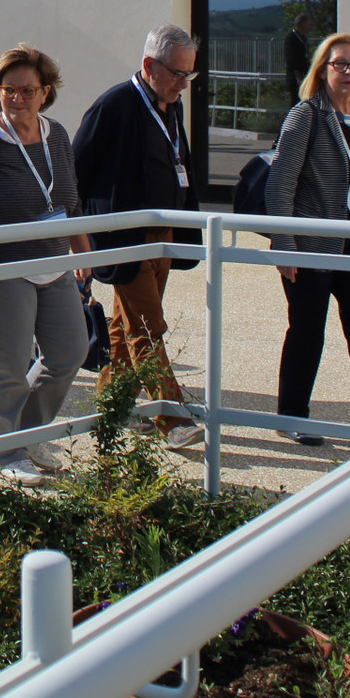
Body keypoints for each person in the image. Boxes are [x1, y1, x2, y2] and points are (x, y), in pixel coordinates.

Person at [0, 43, 90, 487]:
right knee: (9, 368)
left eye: (27, 90)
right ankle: (8, 452)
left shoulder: (57, 135)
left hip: (54, 262)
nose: (17, 98)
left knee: (70, 352)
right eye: (8, 89)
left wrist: (83, 251)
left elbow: (70, 200)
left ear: (45, 92)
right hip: (5, 266)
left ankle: (28, 434)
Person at [72, 24, 204, 450]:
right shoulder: (113, 105)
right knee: (148, 326)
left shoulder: (171, 105)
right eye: (177, 73)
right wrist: (78, 239)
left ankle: (113, 405)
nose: (184, 83)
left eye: (189, 74)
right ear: (150, 65)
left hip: (162, 237)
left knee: (123, 325)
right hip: (124, 239)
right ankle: (171, 417)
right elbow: (76, 171)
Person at [263, 32, 350, 443]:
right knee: (307, 332)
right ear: (323, 70)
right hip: (311, 246)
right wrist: (285, 244)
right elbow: (280, 185)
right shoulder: (306, 115)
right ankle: (293, 417)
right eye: (341, 64)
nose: (349, 72)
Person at [283, 12, 314, 112]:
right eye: (308, 24)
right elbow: (291, 58)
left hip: (304, 74)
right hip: (296, 77)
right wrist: (298, 75)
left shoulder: (303, 38)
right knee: (296, 102)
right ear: (302, 24)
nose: (310, 26)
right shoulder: (291, 38)